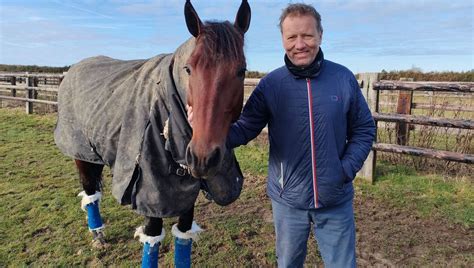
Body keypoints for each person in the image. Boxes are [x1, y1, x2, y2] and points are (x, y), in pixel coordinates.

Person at [189, 3, 375, 267]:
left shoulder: (342, 79)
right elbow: (244, 128)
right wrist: (206, 134)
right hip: (288, 203)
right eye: (292, 37)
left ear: (320, 36)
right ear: (283, 40)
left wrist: (345, 170)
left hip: (336, 200)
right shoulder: (271, 85)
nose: (300, 44)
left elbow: (365, 129)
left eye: (307, 36)